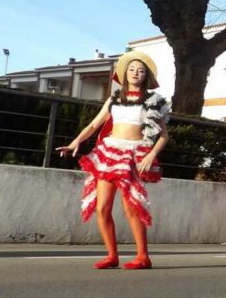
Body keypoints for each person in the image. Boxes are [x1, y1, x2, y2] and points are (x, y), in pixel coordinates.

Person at [57, 51, 170, 270]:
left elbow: (164, 135)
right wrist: (75, 142)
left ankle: (143, 257)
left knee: (131, 207)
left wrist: (151, 154)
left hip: (134, 156)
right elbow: (93, 125)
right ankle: (112, 255)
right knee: (102, 207)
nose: (136, 73)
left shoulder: (153, 101)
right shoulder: (114, 99)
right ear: (125, 74)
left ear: (146, 76)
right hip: (109, 153)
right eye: (132, 69)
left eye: (141, 71)